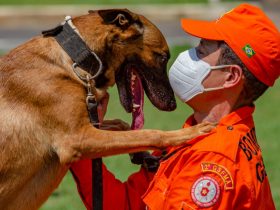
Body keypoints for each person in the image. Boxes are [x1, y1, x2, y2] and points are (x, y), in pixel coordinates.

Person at [70, 3, 280, 209]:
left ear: (230, 76)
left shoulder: (212, 163)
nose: (188, 56)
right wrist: (83, 137)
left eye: (201, 50)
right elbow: (126, 203)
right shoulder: (198, 135)